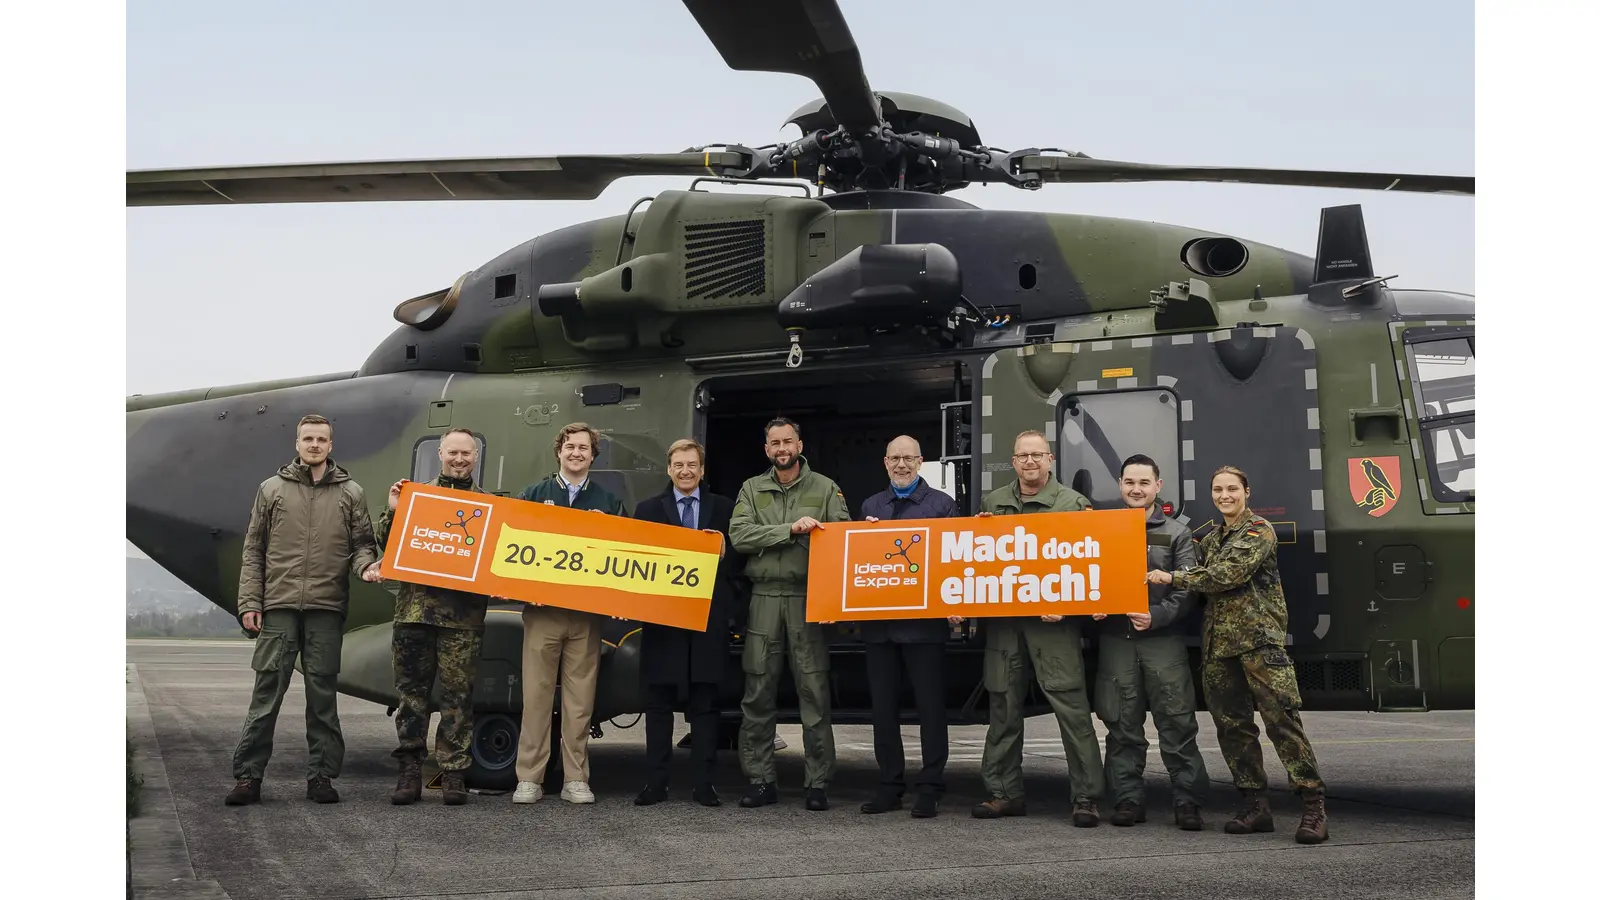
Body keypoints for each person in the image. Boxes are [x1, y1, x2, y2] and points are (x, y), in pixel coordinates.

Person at [1147, 465, 1329, 844]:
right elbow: (1180, 555)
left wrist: (1173, 578)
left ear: (1246, 491)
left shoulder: (1258, 531)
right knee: (1233, 729)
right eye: (1218, 490)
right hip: (1219, 648)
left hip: (1259, 644)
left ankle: (1313, 808)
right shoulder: (1210, 538)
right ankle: (1255, 807)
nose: (1224, 495)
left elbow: (1226, 575)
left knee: (1282, 724)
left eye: (1232, 489)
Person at [225, 414, 383, 806]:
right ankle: (248, 777)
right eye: (308, 439)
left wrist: (366, 566)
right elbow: (254, 549)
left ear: (331, 446)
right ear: (297, 444)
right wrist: (249, 602)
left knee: (323, 698)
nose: (314, 445)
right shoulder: (272, 489)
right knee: (265, 697)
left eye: (322, 439)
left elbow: (364, 542)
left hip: (325, 608)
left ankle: (322, 777)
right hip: (278, 607)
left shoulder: (351, 493)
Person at [970, 430, 1105, 827]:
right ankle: (1003, 793)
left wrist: (1067, 607)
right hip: (1006, 626)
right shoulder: (993, 504)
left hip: (1054, 628)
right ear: (1013, 461)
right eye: (1022, 456)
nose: (1030, 462)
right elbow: (978, 562)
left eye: (1037, 455)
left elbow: (1088, 564)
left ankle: (1086, 798)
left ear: (1050, 460)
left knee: (1072, 711)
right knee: (1003, 708)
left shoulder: (1073, 504)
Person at [729, 417, 850, 811]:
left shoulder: (826, 488)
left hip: (807, 599)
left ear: (799, 444)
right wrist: (790, 530)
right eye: (774, 443)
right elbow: (740, 536)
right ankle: (761, 780)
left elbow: (842, 542)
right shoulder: (752, 488)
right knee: (758, 694)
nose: (782, 448)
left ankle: (817, 784)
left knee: (814, 694)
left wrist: (833, 600)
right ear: (767, 450)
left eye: (788, 441)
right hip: (763, 598)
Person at [370, 428, 493, 806]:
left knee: (458, 698)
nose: (459, 459)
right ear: (440, 453)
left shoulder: (489, 507)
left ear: (476, 457)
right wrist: (394, 509)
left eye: (466, 454)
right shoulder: (415, 496)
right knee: (412, 697)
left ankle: (452, 773)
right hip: (415, 614)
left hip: (462, 619)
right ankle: (409, 772)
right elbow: (386, 543)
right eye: (453, 452)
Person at [1091, 454, 1209, 830]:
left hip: (1163, 642)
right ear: (1120, 485)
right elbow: (1084, 574)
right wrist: (1092, 606)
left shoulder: (1177, 533)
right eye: (1129, 482)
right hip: (1116, 640)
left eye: (1144, 483)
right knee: (1121, 724)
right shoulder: (1101, 528)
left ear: (1158, 486)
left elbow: (1187, 590)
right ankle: (1127, 799)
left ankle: (1187, 801)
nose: (1136, 489)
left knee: (1176, 722)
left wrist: (1156, 617)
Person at [511, 422, 626, 806]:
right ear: (558, 451)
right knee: (537, 698)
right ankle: (529, 777)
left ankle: (576, 778)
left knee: (580, 703)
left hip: (585, 617)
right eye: (570, 446)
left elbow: (620, 556)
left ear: (593, 455)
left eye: (584, 448)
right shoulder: (534, 494)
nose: (576, 453)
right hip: (542, 614)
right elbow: (514, 548)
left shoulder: (609, 502)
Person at [631, 439, 747, 808]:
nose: (685, 471)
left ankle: (704, 785)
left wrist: (726, 555)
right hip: (663, 623)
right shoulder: (647, 510)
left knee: (705, 706)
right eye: (678, 464)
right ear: (669, 469)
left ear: (702, 469)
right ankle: (655, 783)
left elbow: (741, 568)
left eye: (692, 465)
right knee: (659, 706)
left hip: (708, 621)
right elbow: (636, 563)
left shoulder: (726, 509)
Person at [856, 436, 959, 818]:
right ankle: (890, 786)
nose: (902, 465)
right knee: (883, 710)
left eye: (909, 459)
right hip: (879, 627)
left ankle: (930, 787)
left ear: (921, 462)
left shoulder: (942, 506)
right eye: (895, 459)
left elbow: (952, 561)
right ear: (885, 462)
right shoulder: (870, 506)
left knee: (931, 709)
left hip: (925, 627)